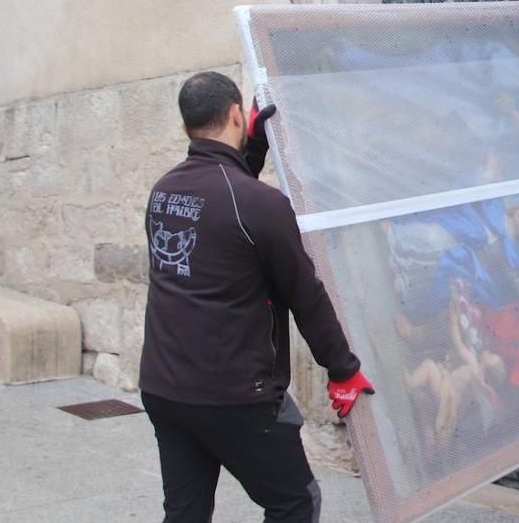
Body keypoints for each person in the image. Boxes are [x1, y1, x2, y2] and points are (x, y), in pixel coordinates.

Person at [140, 71, 374, 522]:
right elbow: (306, 295)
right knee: (294, 504)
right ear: (235, 114)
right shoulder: (259, 204)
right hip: (235, 397)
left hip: (165, 388)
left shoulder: (162, 192)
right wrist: (343, 369)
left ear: (184, 125)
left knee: (184, 514)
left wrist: (251, 152)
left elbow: (220, 216)